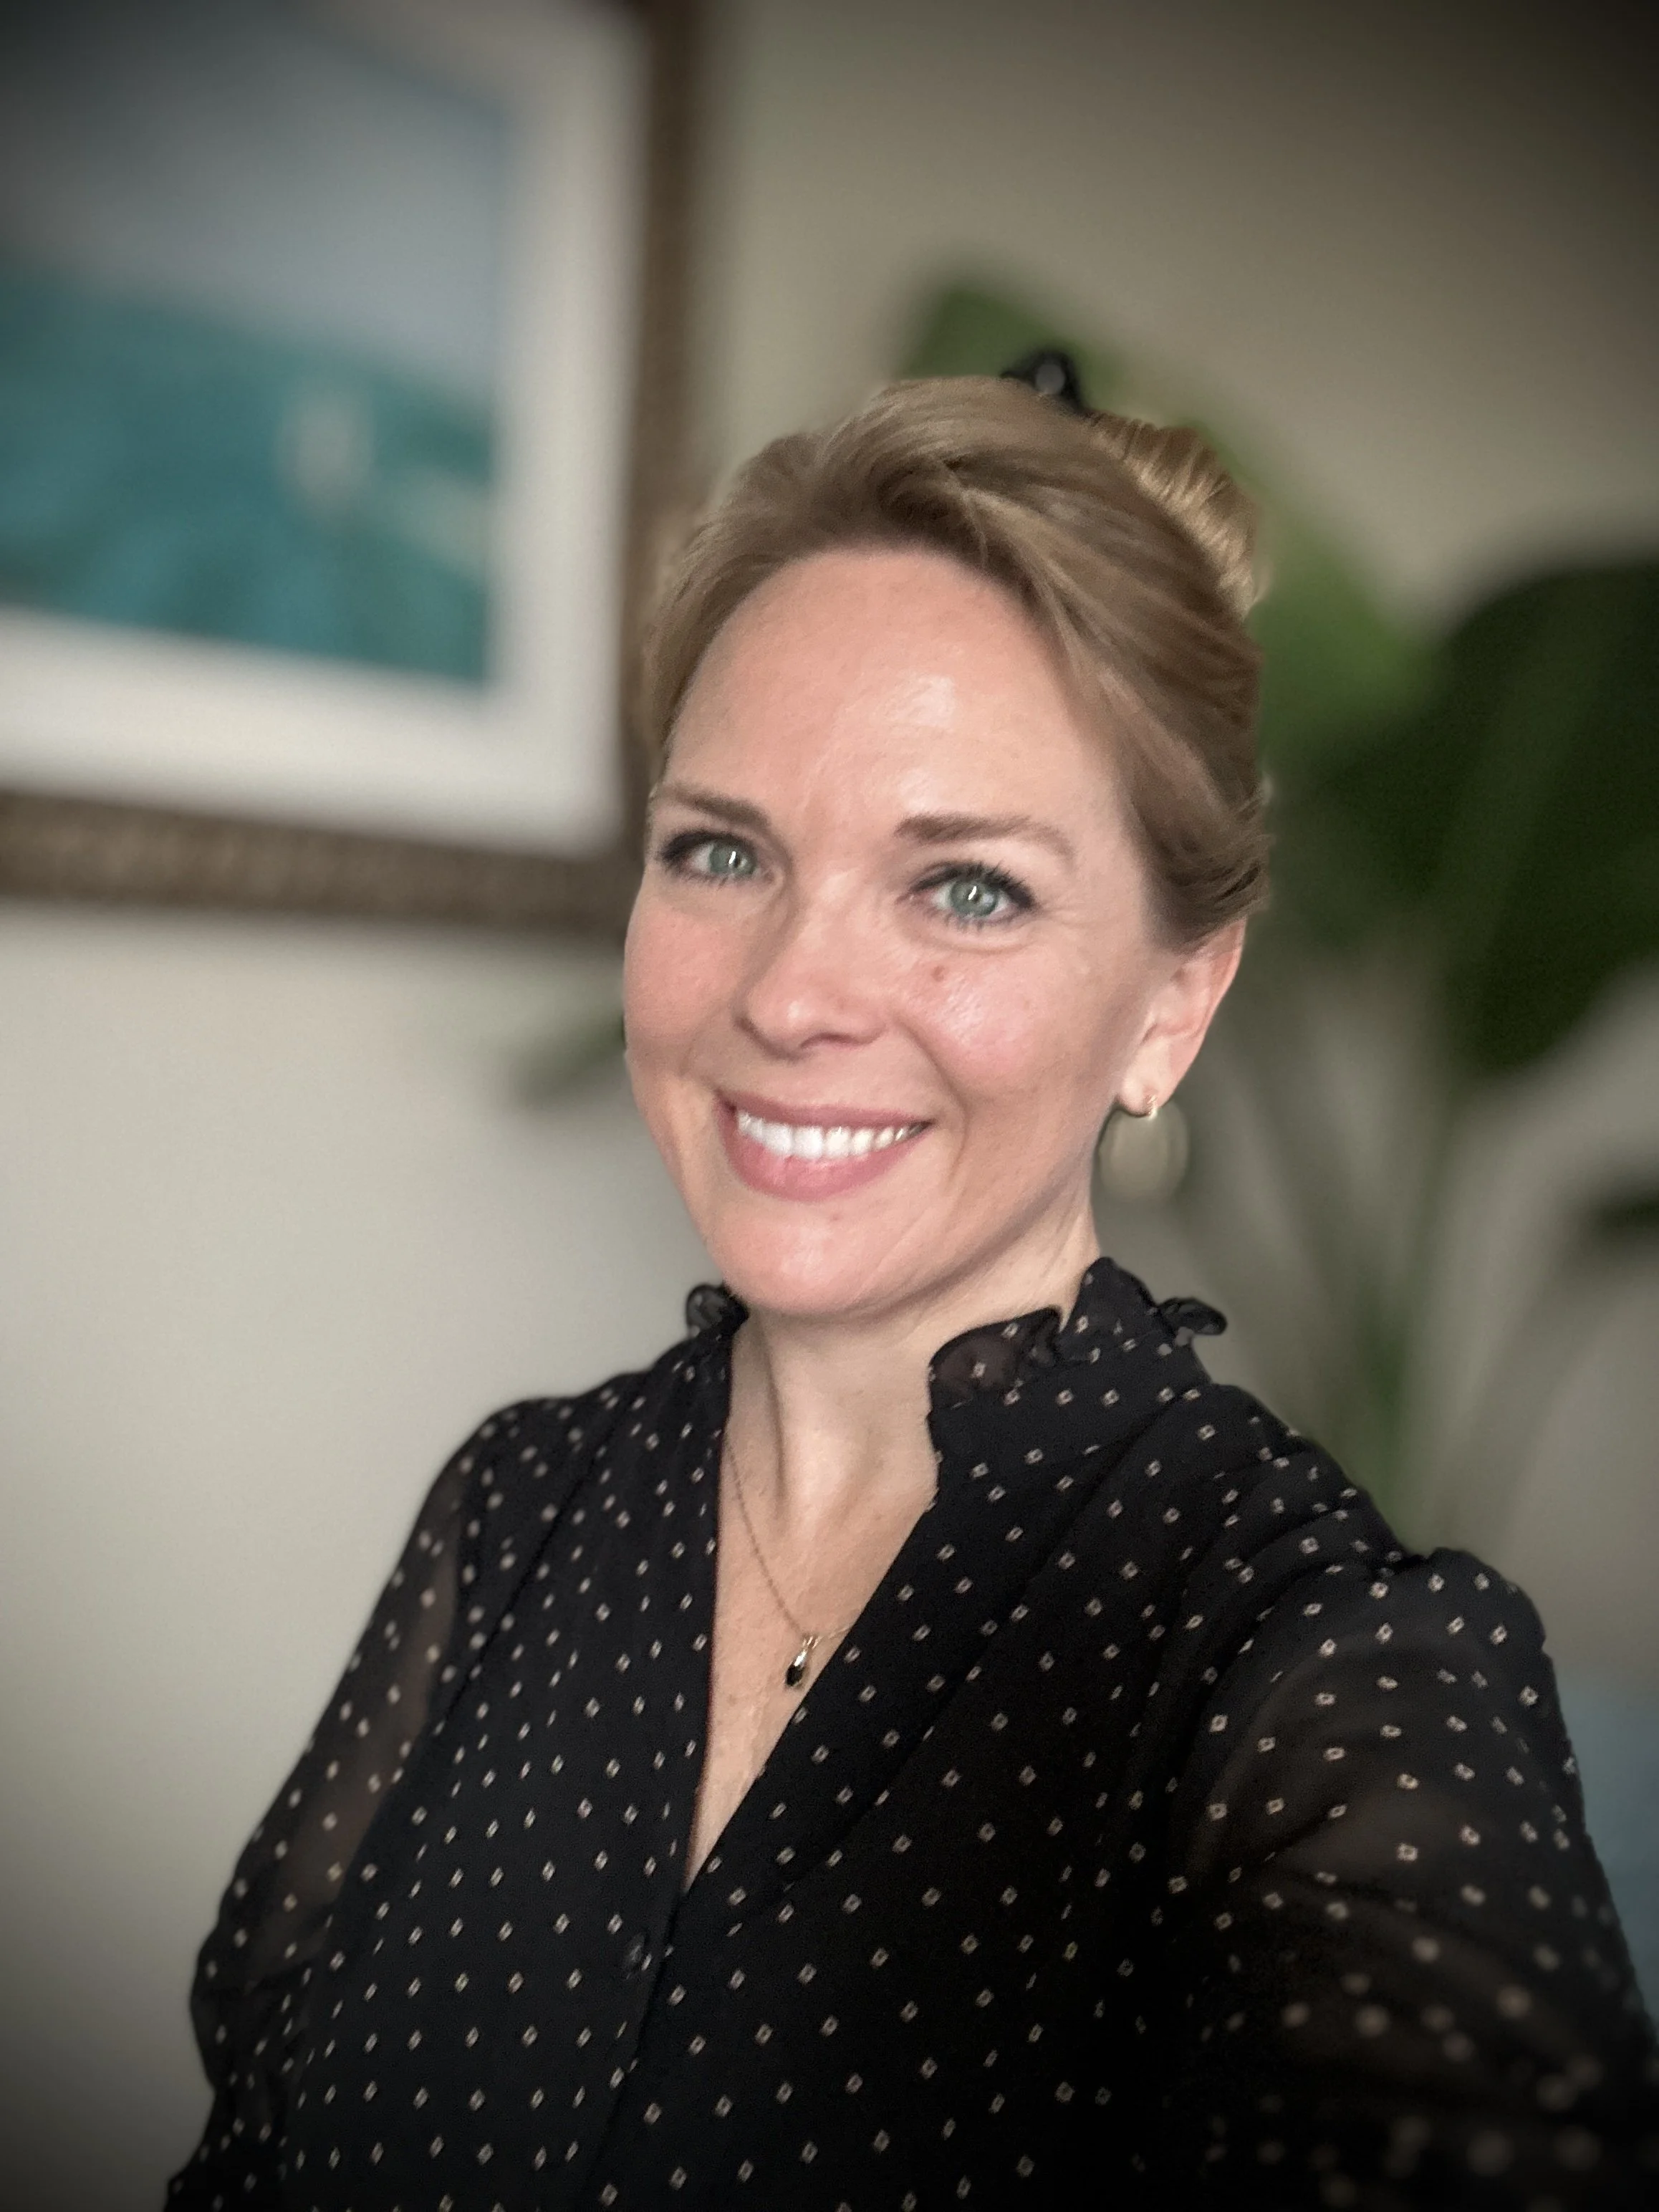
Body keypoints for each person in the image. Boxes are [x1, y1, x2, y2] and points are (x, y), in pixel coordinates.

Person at [168, 373, 1659, 2209]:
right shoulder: (518, 1514)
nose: (790, 994)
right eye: (722, 851)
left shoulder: (1314, 1665)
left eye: (963, 887)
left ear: (1175, 1002)